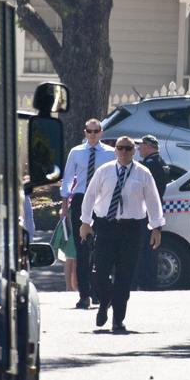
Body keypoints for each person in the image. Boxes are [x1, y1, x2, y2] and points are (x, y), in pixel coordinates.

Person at [79, 135, 164, 333]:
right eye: (120, 148)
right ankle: (105, 300)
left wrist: (156, 228)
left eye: (128, 148)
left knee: (125, 276)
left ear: (134, 151)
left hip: (131, 229)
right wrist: (85, 222)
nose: (124, 152)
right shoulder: (104, 171)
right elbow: (90, 196)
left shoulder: (143, 173)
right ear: (115, 150)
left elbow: (153, 200)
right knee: (99, 273)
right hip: (106, 226)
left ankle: (118, 318)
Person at [61, 118, 116, 308]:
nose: (92, 134)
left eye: (96, 131)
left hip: (102, 201)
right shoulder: (76, 152)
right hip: (81, 199)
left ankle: (98, 291)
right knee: (82, 248)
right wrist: (64, 205)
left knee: (101, 248)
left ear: (101, 132)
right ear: (85, 132)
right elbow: (68, 179)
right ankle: (84, 294)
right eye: (89, 131)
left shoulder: (110, 153)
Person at [133, 135, 168, 291]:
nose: (139, 148)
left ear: (149, 146)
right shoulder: (160, 162)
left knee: (144, 249)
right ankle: (148, 282)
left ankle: (145, 282)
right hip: (154, 210)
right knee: (150, 248)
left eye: (141, 145)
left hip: (147, 212)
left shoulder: (150, 165)